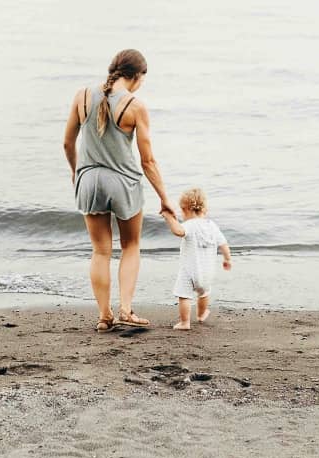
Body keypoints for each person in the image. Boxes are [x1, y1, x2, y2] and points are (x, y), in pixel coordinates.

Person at [63, 49, 177, 332]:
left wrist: (77, 173)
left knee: (100, 251)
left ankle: (104, 316)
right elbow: (147, 160)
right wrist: (165, 199)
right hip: (123, 182)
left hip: (89, 180)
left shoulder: (82, 96)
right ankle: (126, 309)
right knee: (131, 246)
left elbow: (67, 143)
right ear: (136, 77)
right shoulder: (135, 106)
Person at [160, 187, 232, 331]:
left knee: (184, 296)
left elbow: (178, 231)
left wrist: (169, 217)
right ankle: (201, 314)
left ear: (186, 209)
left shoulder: (190, 225)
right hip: (207, 271)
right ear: (204, 209)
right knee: (204, 293)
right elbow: (223, 244)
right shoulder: (212, 226)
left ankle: (185, 322)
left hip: (189, 270)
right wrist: (227, 259)